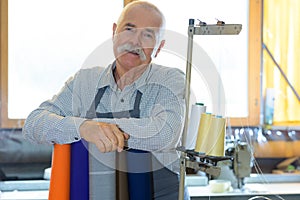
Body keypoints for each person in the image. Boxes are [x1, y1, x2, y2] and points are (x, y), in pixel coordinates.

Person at [23, 1, 190, 199]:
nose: (135, 42)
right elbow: (33, 124)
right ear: (114, 32)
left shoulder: (171, 80)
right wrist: (83, 128)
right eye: (129, 29)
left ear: (159, 47)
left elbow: (165, 133)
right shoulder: (84, 81)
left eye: (147, 34)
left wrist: (97, 128)